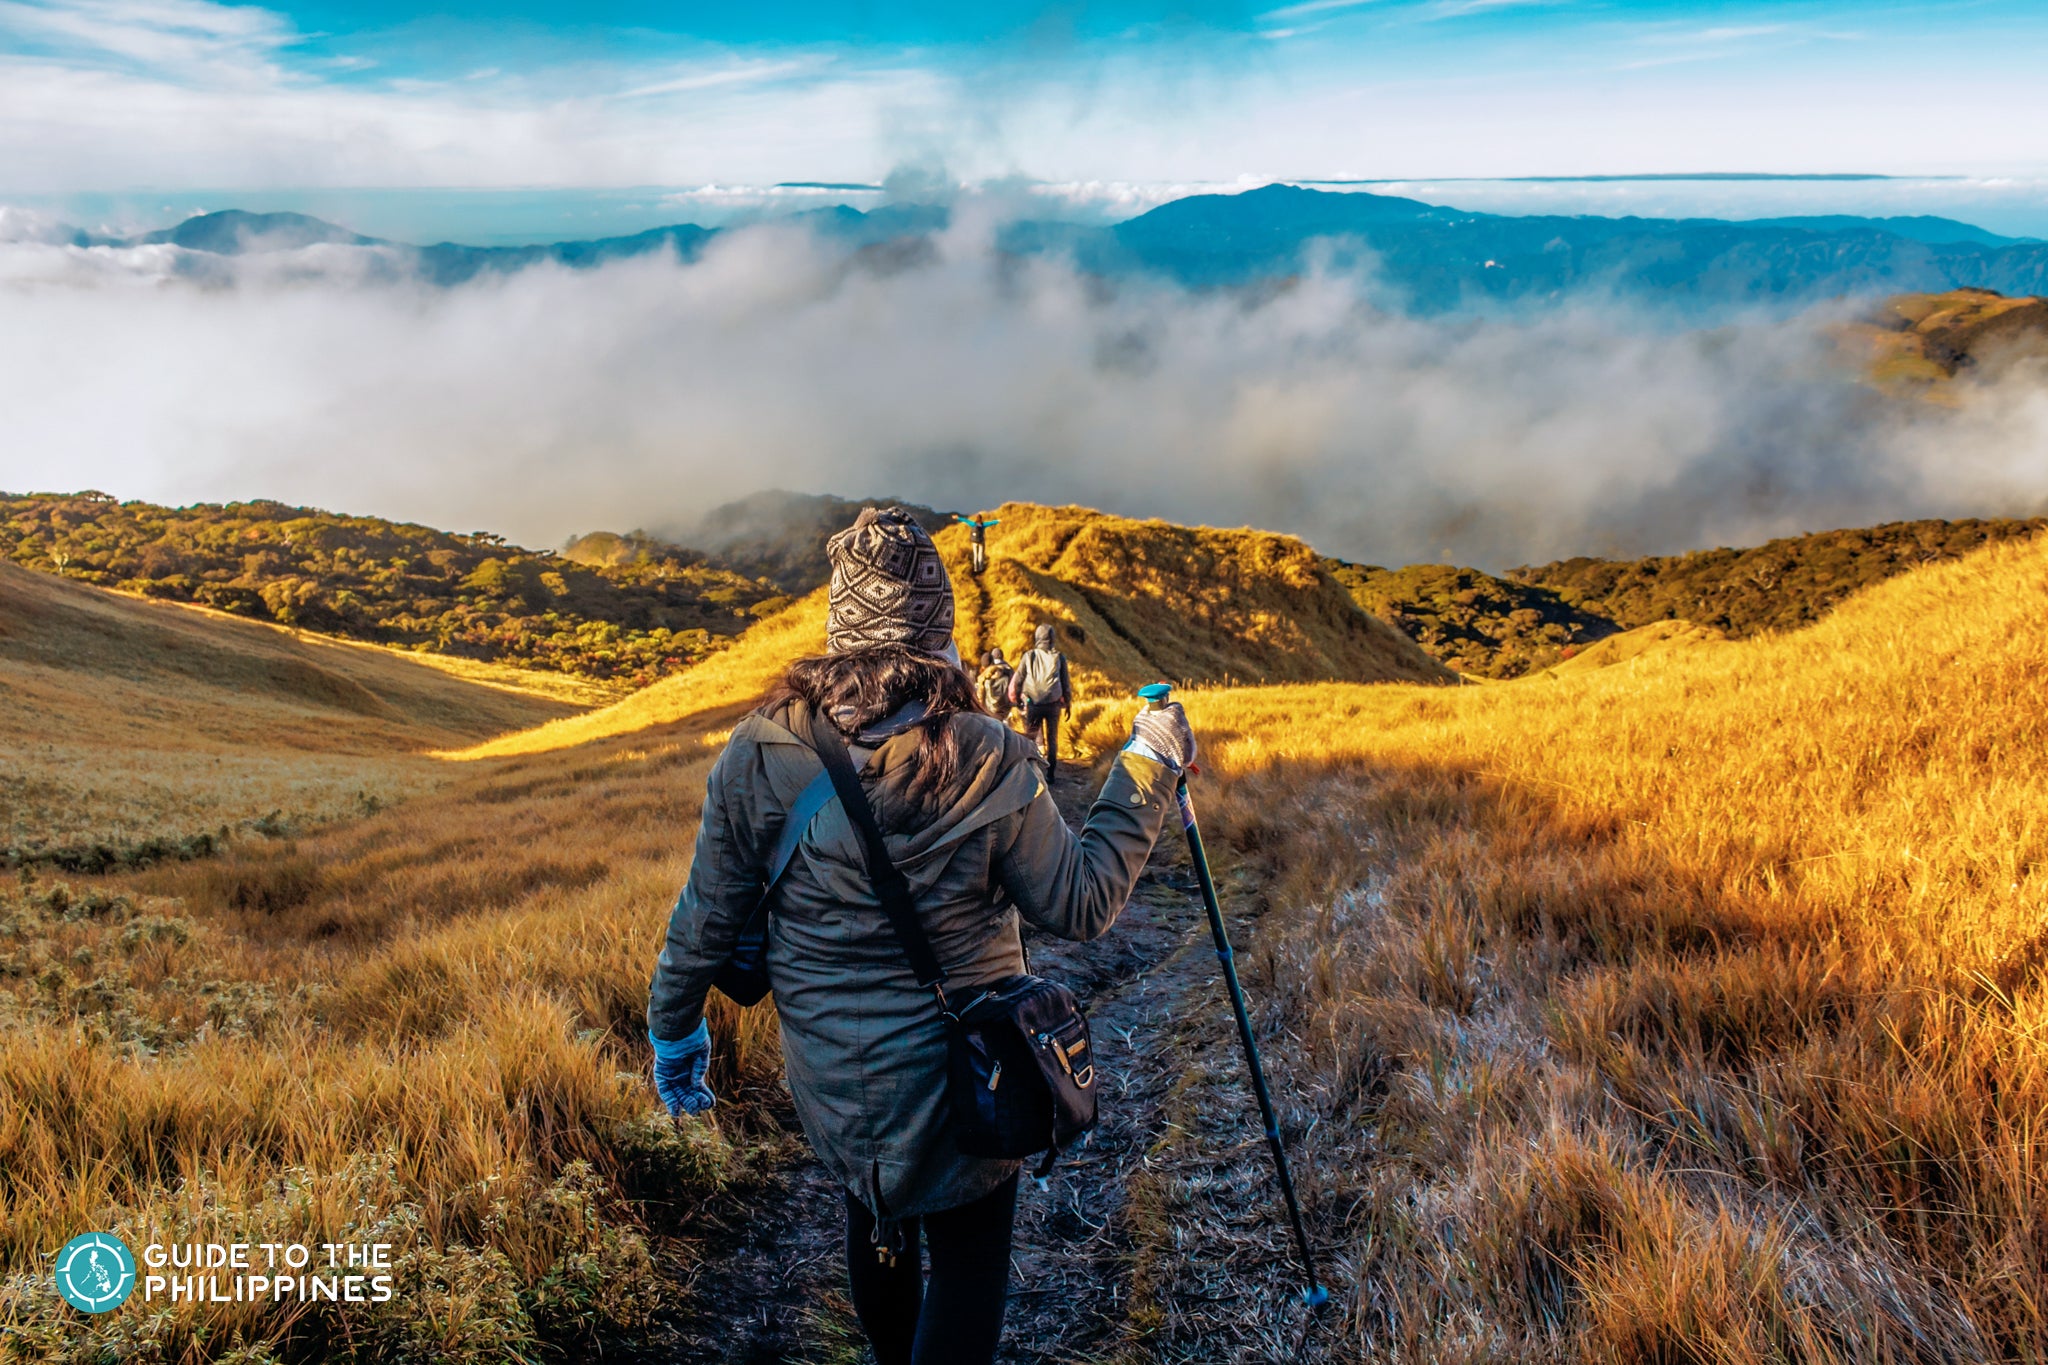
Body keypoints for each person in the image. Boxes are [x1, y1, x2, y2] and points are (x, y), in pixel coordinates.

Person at [645, 507, 1196, 1365]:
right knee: (969, 1263)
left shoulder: (759, 750)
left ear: (841, 627)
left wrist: (674, 1035)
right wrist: (1149, 763)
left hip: (834, 1082)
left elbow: (704, 919)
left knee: (874, 1213)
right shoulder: (988, 751)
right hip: (968, 1077)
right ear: (938, 631)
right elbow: (1081, 904)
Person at [1008, 623, 1071, 781]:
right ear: (1052, 638)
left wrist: (1018, 700)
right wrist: (1068, 704)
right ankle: (1050, 774)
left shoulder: (1029, 656)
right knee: (1052, 739)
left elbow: (1019, 678)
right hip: (1053, 704)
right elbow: (1065, 683)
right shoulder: (1059, 657)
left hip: (1033, 703)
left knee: (1030, 738)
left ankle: (1030, 773)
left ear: (1037, 637)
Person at [976, 647, 1015, 724]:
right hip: (1005, 710)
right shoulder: (1009, 670)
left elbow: (980, 696)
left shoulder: (984, 676)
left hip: (990, 711)